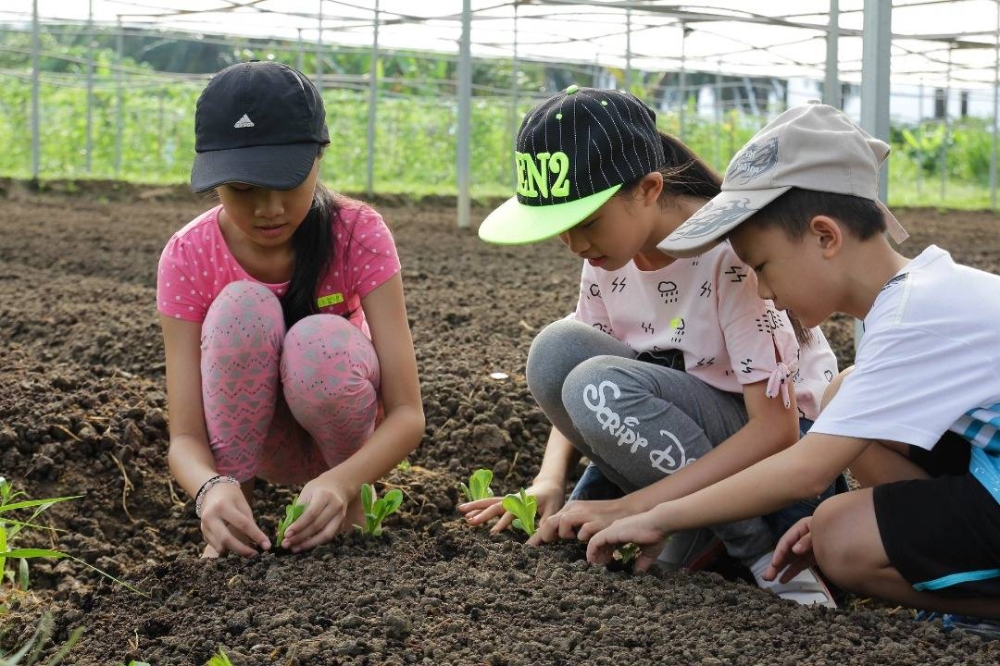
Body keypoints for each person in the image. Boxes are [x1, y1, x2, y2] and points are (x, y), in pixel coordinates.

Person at [588, 101, 1000, 619]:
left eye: (762, 266)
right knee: (843, 391)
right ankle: (940, 557)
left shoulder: (909, 318)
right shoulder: (923, 293)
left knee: (840, 536)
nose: (761, 290)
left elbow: (806, 472)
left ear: (825, 236)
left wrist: (656, 515)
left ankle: (976, 607)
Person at [462, 85, 840, 607]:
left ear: (648, 188)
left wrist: (635, 506)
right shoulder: (604, 260)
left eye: (587, 222)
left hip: (779, 456)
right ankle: (693, 533)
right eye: (559, 228)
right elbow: (579, 374)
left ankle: (759, 554)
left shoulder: (730, 256)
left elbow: (775, 432)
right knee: (556, 352)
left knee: (601, 385)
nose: (574, 244)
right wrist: (548, 480)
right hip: (673, 431)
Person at [157, 61, 424, 558]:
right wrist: (209, 488)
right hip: (253, 446)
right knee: (242, 306)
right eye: (244, 189)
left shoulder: (357, 234)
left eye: (288, 182)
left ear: (319, 159)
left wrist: (345, 480)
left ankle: (349, 517)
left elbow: (408, 413)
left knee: (317, 343)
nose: (269, 209)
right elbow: (185, 437)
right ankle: (239, 525)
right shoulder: (189, 254)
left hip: (350, 440)